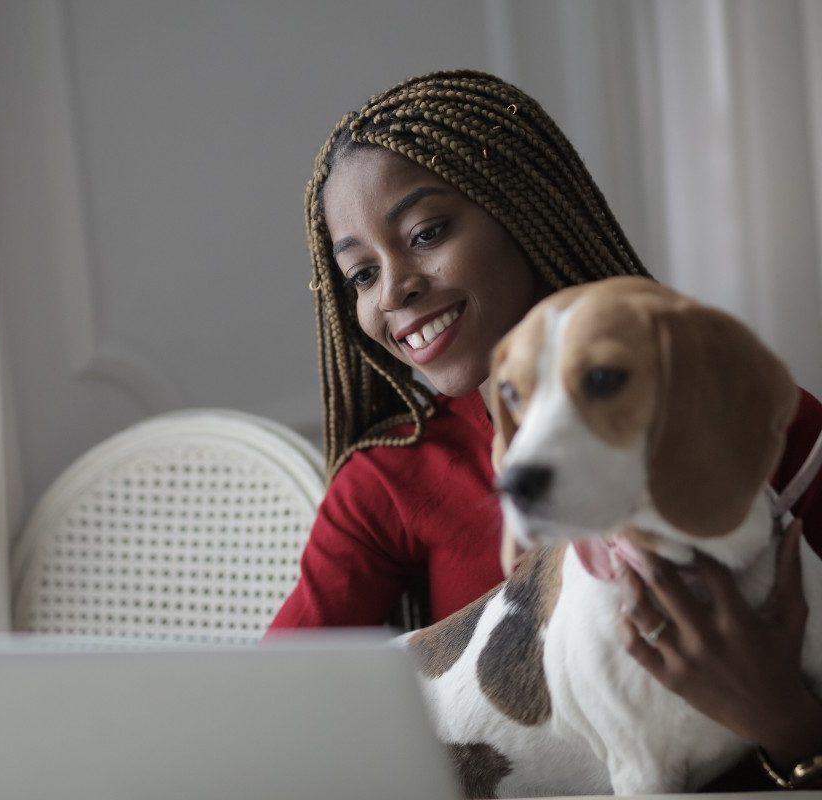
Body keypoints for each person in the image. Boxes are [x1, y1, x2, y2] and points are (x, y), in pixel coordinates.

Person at [268, 69, 822, 790]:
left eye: (426, 232)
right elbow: (273, 706)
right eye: (360, 275)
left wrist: (787, 726)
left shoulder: (749, 414)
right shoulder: (386, 480)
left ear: (522, 211)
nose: (395, 287)